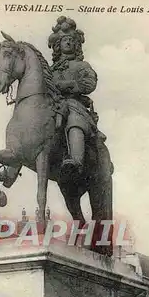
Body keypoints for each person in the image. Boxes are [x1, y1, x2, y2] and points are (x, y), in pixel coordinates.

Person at [48, 16, 105, 181]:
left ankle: (76, 161)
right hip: (53, 105)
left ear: (76, 44)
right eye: (64, 40)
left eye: (71, 40)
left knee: (74, 121)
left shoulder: (82, 66)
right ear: (58, 44)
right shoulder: (50, 70)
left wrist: (68, 85)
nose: (67, 43)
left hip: (75, 105)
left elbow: (90, 83)